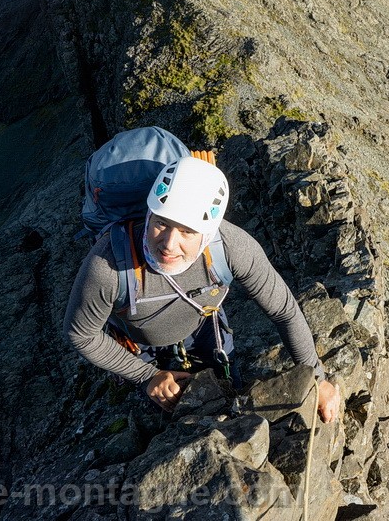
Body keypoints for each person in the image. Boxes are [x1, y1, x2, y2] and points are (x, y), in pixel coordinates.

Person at [64, 155, 340, 421]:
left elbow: (284, 311)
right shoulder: (107, 265)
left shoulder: (232, 248)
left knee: (230, 395)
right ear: (149, 213)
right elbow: (81, 334)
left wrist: (317, 378)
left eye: (187, 231)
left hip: (204, 325)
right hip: (138, 345)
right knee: (170, 416)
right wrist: (146, 376)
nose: (169, 245)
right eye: (161, 223)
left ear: (207, 234)